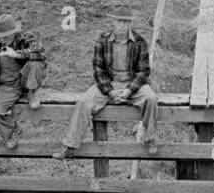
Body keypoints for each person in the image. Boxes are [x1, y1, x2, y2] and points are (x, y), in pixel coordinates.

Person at [54, 11, 157, 171]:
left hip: (131, 83)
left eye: (125, 22)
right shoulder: (103, 41)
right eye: (119, 22)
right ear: (112, 22)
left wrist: (129, 91)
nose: (122, 25)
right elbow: (98, 70)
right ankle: (70, 145)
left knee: (150, 98)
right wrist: (110, 91)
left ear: (130, 24)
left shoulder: (139, 42)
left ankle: (149, 138)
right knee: (83, 101)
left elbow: (143, 71)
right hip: (109, 83)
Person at [0, 12, 47, 149]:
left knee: (35, 63)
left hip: (26, 80)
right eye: (1, 36)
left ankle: (31, 93)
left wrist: (17, 54)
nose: (3, 39)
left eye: (6, 36)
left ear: (14, 32)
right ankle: (11, 131)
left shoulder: (26, 38)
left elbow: (41, 53)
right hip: (7, 85)